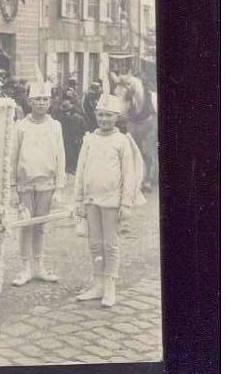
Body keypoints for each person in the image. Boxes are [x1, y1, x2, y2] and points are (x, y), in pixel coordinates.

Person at [73, 94, 142, 307]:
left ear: (116, 117)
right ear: (96, 116)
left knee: (110, 244)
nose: (104, 119)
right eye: (101, 115)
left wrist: (126, 203)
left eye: (108, 116)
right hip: (91, 199)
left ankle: (110, 285)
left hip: (112, 201)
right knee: (94, 243)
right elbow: (80, 171)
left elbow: (129, 173)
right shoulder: (89, 139)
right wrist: (78, 200)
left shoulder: (121, 141)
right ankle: (98, 283)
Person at [11, 81, 66, 286]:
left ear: (50, 102)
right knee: (26, 225)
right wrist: (12, 187)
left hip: (47, 183)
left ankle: (38, 265)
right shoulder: (21, 126)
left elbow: (60, 156)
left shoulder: (55, 126)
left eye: (45, 99)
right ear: (29, 101)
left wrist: (59, 186)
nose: (41, 103)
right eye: (37, 100)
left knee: (40, 225)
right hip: (25, 183)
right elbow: (13, 157)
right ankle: (25, 267)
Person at [56, 98, 86, 175]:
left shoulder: (66, 116)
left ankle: (72, 167)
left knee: (74, 152)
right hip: (69, 138)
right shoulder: (70, 117)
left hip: (73, 137)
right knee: (70, 153)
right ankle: (70, 167)